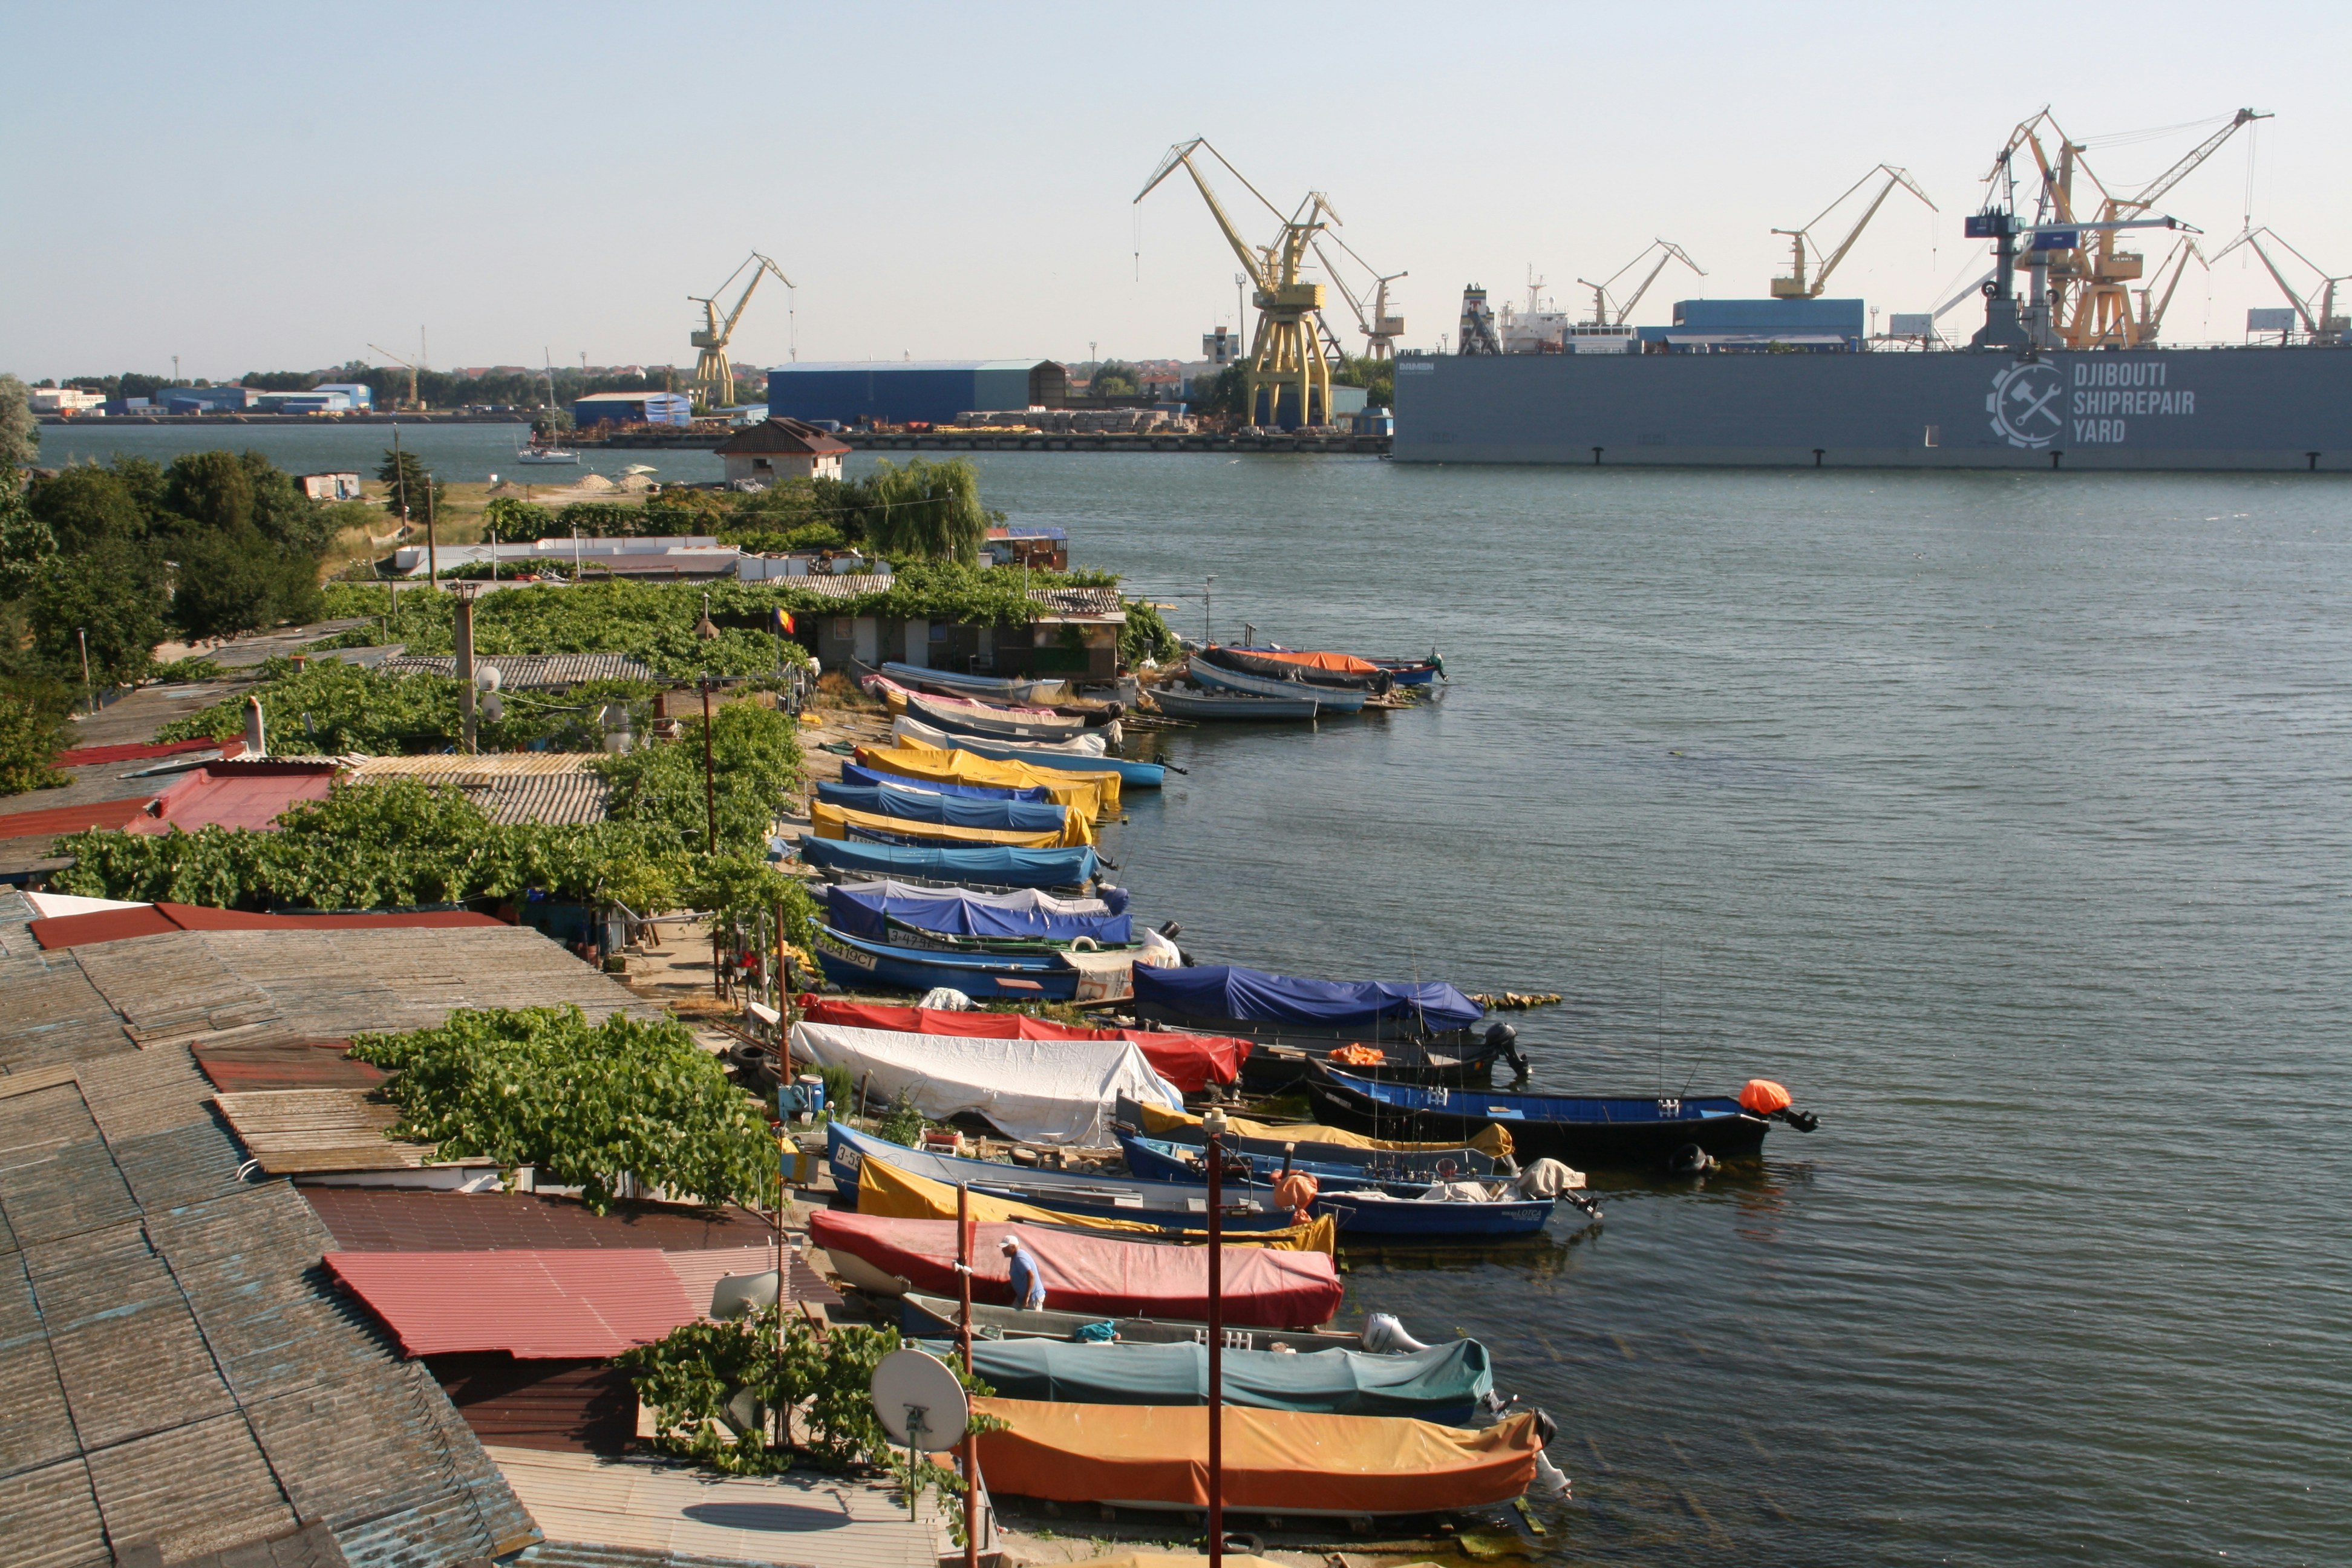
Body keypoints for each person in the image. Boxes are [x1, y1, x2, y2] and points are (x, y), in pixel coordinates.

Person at [1000, 1233, 1045, 1312]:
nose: (1003, 1250)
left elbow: (1031, 1276)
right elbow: (1020, 1275)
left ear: (1013, 1247)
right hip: (1022, 1297)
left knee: (1032, 1322)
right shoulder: (1015, 1258)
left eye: (1005, 1248)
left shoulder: (1020, 1257)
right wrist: (1009, 1286)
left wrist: (1027, 1297)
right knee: (1011, 1315)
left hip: (1033, 1297)